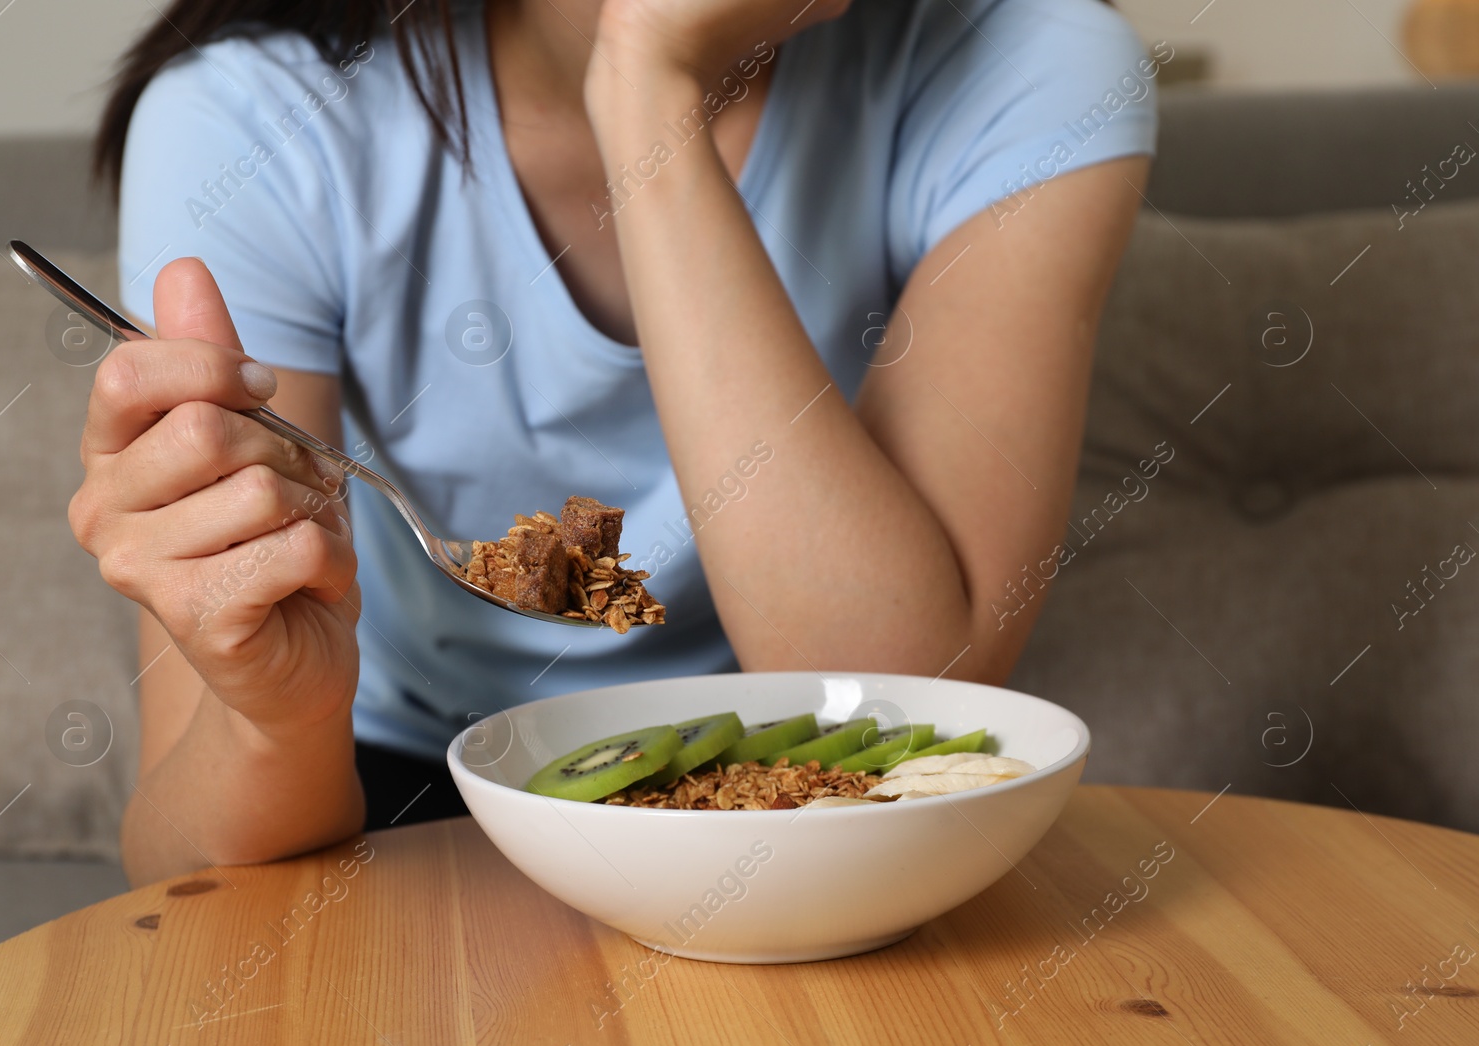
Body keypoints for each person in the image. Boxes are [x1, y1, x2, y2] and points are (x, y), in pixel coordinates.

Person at [72, 0, 1159, 884]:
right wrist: (282, 715)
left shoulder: (1035, 60)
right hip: (392, 775)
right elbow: (179, 861)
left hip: (795, 764)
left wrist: (645, 87)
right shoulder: (252, 115)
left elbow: (897, 683)